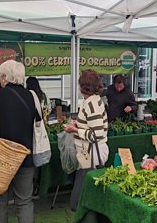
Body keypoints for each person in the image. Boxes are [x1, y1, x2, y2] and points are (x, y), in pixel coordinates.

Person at [0, 60, 39, 223]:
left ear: (4, 77)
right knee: (25, 202)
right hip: (25, 157)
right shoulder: (31, 96)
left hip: (0, 160)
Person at [63, 70, 109, 210]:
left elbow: (96, 134)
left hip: (92, 153)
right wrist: (77, 124)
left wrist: (75, 130)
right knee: (87, 187)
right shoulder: (91, 100)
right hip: (87, 152)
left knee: (86, 189)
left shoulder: (91, 104)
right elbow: (90, 125)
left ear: (83, 86)